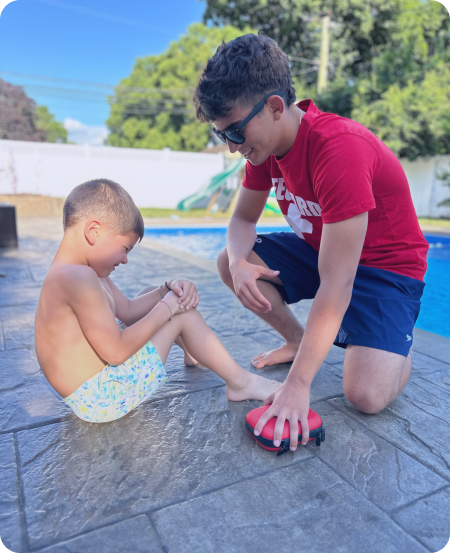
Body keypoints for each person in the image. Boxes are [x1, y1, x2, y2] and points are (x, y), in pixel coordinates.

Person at [193, 34, 429, 452]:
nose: (231, 148)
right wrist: (238, 261)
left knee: (366, 396)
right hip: (326, 253)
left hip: (385, 268)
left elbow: (335, 284)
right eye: (220, 135)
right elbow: (242, 220)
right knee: (230, 263)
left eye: (233, 131)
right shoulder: (262, 149)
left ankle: (393, 348)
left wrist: (298, 385)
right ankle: (299, 340)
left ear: (274, 107)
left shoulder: (338, 149)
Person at [35, 178, 279, 423]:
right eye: (125, 248)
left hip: (91, 394)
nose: (125, 260)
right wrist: (169, 306)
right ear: (94, 231)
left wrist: (167, 288)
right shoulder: (78, 277)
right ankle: (241, 383)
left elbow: (128, 310)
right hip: (102, 399)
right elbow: (116, 352)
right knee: (181, 315)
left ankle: (193, 349)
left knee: (151, 294)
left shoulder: (78, 270)